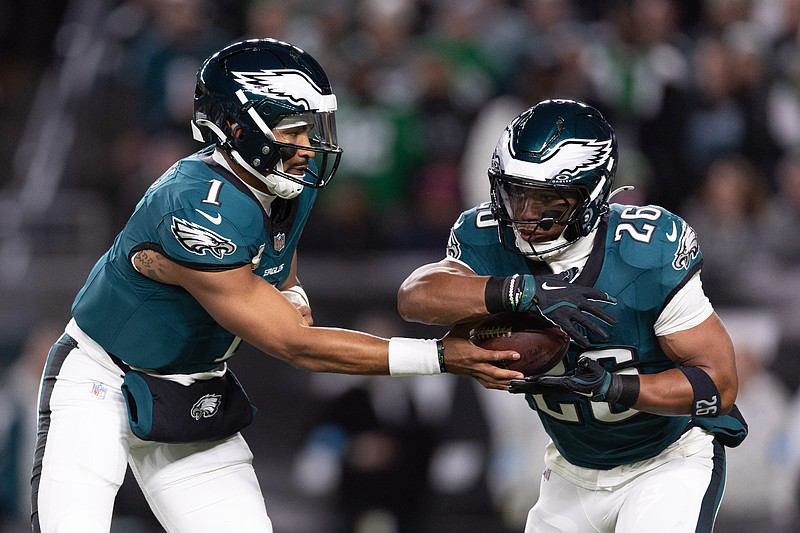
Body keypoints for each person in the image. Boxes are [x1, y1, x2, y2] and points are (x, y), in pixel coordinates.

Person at [30, 38, 533, 533]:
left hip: (195, 392)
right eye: (293, 130)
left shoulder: (281, 184)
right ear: (236, 128)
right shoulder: (197, 206)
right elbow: (296, 345)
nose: (308, 145)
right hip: (102, 383)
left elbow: (281, 267)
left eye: (311, 129)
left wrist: (287, 296)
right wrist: (441, 357)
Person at [397, 99, 747, 533]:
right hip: (570, 468)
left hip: (666, 460)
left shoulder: (644, 252)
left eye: (546, 200)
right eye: (516, 192)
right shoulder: (485, 238)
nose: (524, 215)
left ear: (593, 194)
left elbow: (719, 382)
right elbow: (415, 297)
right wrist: (523, 290)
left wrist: (614, 386)